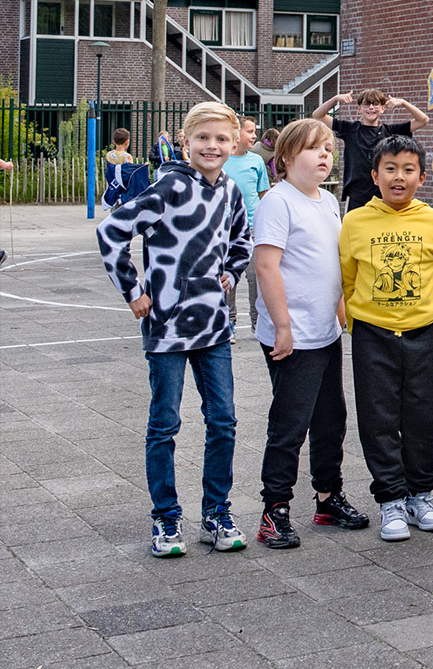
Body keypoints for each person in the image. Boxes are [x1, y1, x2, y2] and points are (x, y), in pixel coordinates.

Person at [98, 101, 252, 557]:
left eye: (221, 138)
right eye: (202, 138)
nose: (212, 145)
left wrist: (232, 272)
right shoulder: (167, 188)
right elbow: (111, 232)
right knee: (164, 424)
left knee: (223, 420)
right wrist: (133, 291)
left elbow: (241, 240)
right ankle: (166, 518)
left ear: (234, 144)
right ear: (185, 142)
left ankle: (215, 512)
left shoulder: (231, 193)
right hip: (166, 329)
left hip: (213, 328)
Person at [252, 118, 368, 549]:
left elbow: (329, 261)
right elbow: (266, 265)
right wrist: (282, 325)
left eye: (328, 149)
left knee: (329, 420)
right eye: (314, 149)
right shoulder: (277, 202)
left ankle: (327, 497)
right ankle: (274, 509)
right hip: (292, 336)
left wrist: (338, 307)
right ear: (285, 158)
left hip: (324, 332)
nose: (325, 155)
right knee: (289, 425)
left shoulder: (326, 202)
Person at [339, 134, 433, 542]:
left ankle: (420, 495)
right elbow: (348, 277)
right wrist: (362, 321)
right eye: (390, 169)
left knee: (423, 418)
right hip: (372, 335)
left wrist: (426, 316)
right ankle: (391, 499)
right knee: (378, 419)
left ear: (422, 177)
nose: (399, 177)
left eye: (408, 170)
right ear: (375, 175)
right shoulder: (355, 222)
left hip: (421, 335)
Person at [314, 89, 429, 212]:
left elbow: (423, 120)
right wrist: (336, 99)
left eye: (375, 104)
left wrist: (403, 102)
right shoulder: (350, 129)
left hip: (383, 196)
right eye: (366, 104)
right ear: (359, 108)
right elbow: (318, 116)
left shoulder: (390, 131)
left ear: (383, 108)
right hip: (356, 196)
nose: (371, 108)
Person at [223, 118, 271, 336]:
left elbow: (263, 194)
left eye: (255, 131)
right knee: (228, 278)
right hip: (226, 229)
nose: (254, 136)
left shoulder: (257, 161)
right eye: (250, 131)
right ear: (237, 133)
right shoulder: (222, 160)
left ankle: (257, 322)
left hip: (252, 228)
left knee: (256, 278)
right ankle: (229, 322)